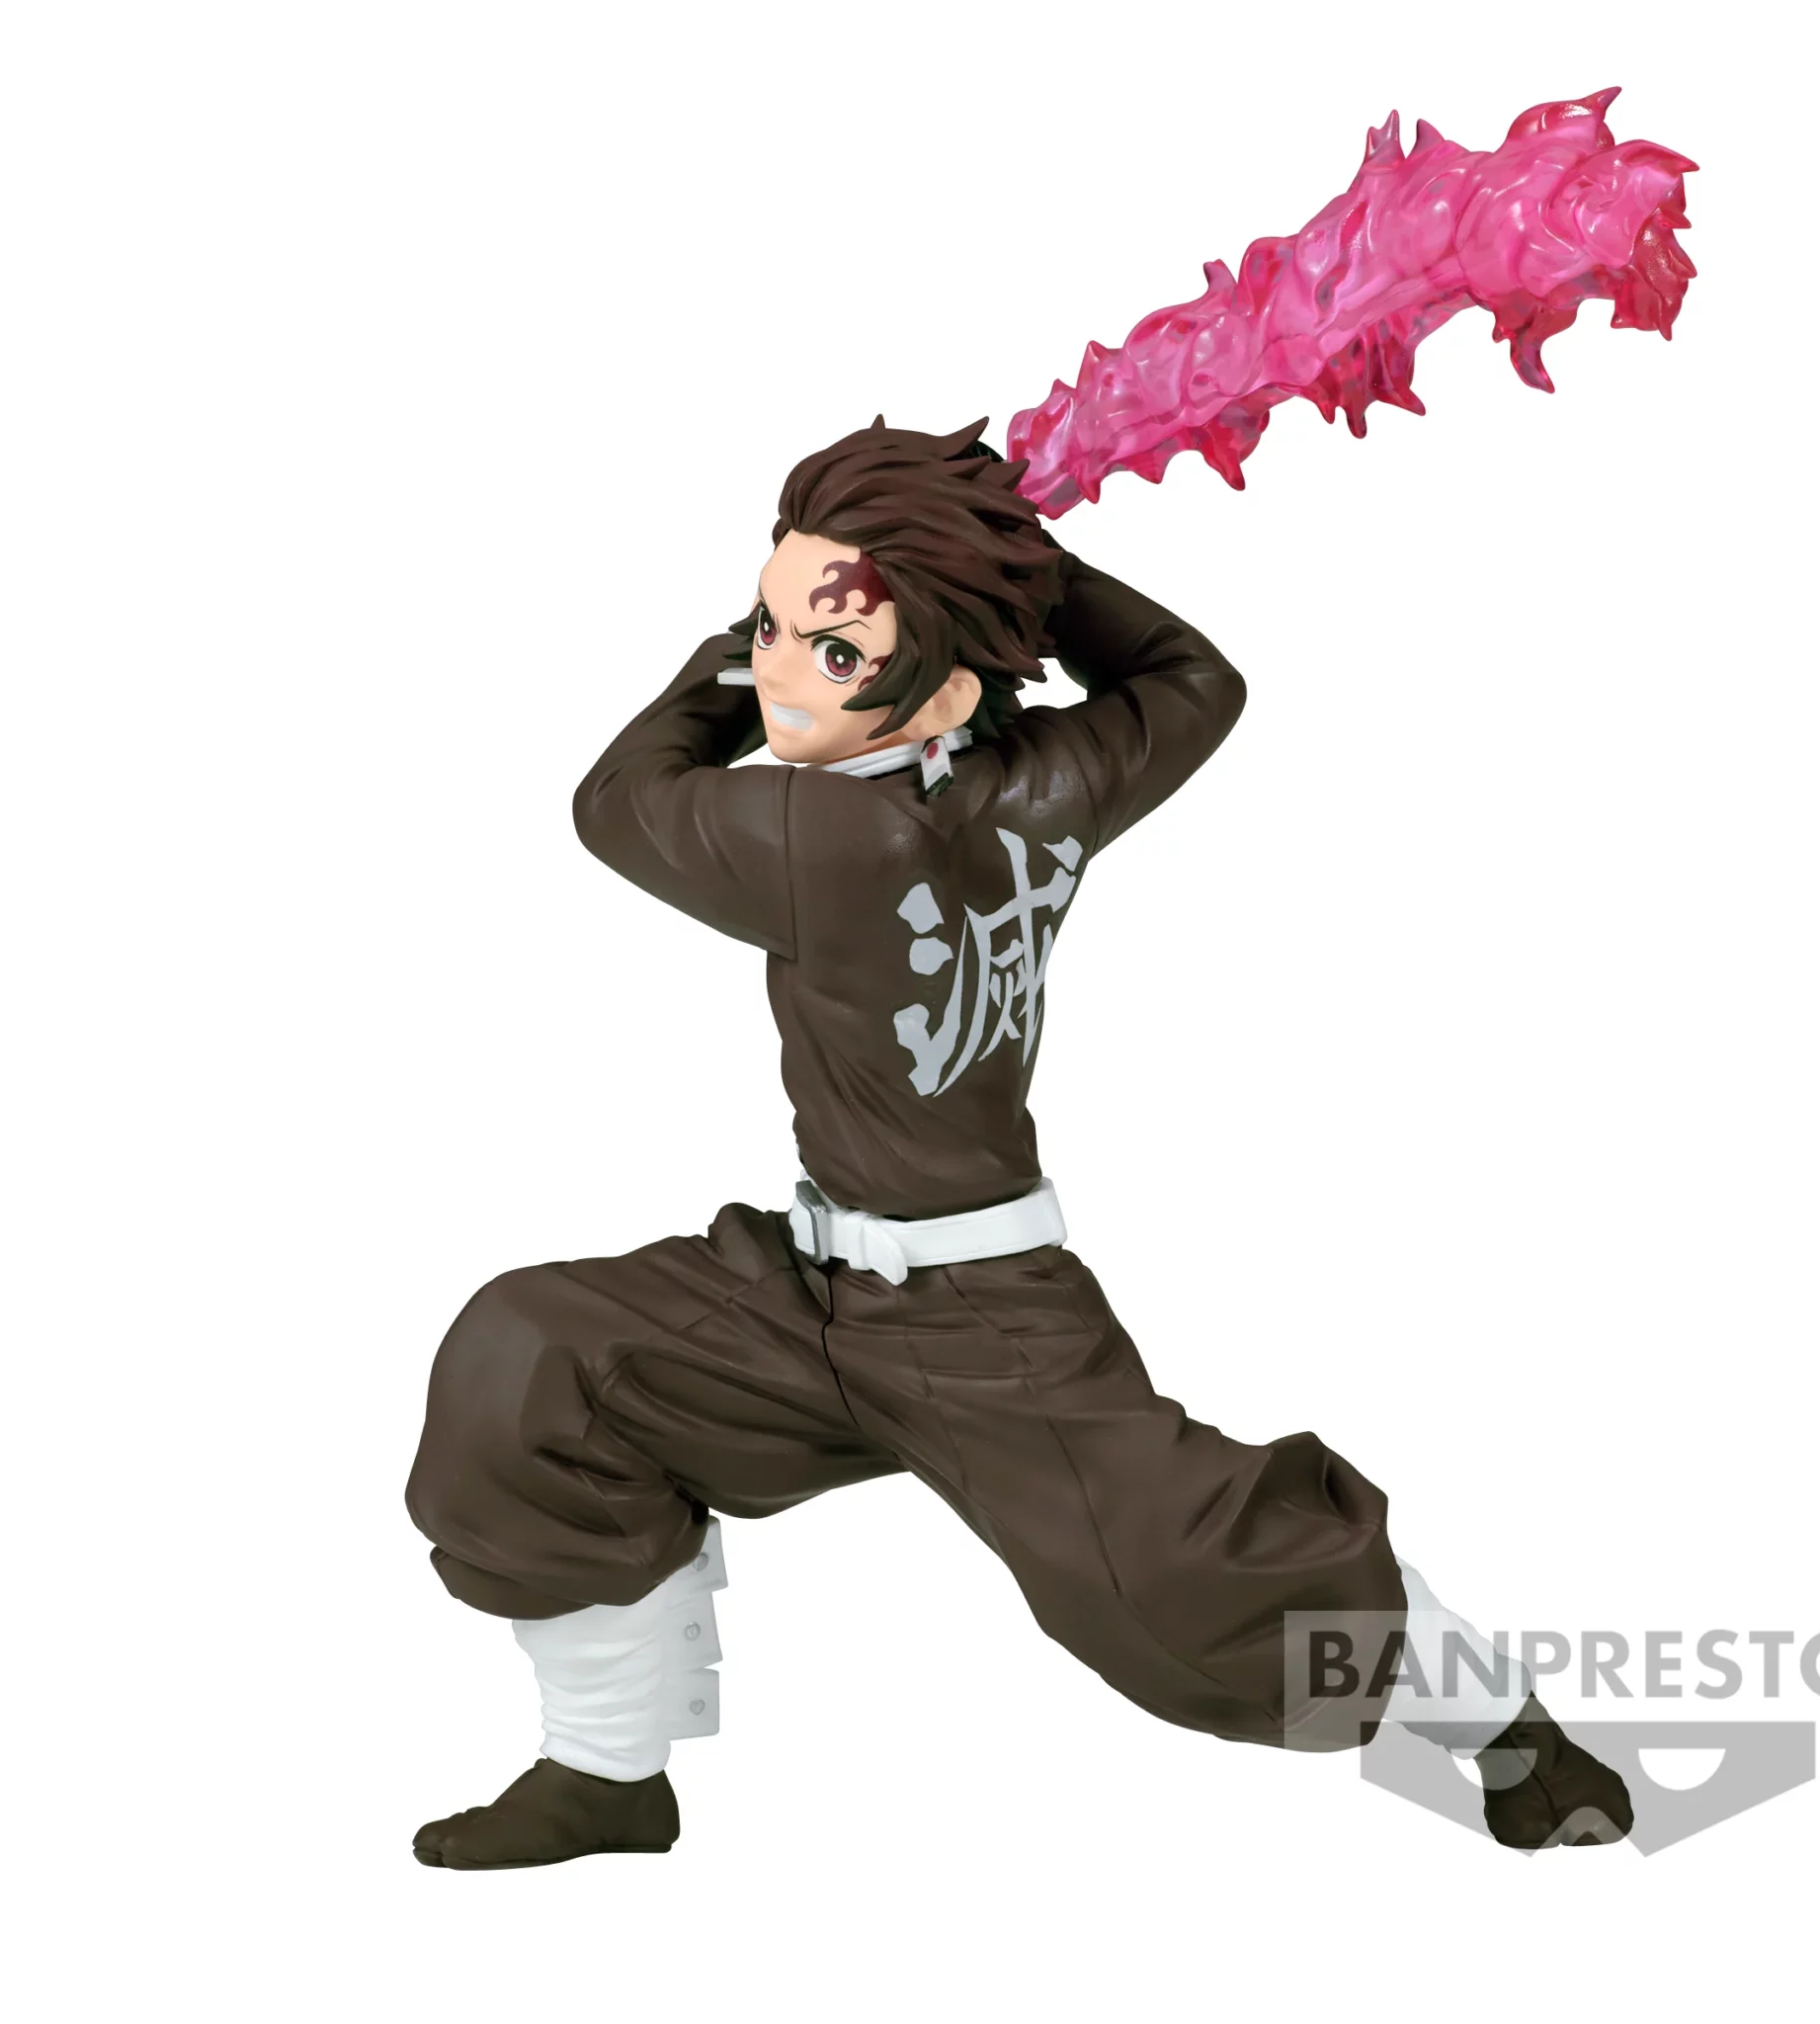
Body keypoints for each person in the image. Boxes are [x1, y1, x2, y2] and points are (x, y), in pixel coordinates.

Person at [406, 420, 1633, 1867]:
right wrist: (1014, 569)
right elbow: (1192, 681)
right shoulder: (1057, 775)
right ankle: (609, 1776)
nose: (785, 671)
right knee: (541, 1360)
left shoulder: (816, 840)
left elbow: (614, 802)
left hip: (981, 1321)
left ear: (947, 690)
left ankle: (1512, 1734)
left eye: (834, 652)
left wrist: (742, 654)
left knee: (1179, 1583)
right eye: (773, 625)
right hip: (810, 1293)